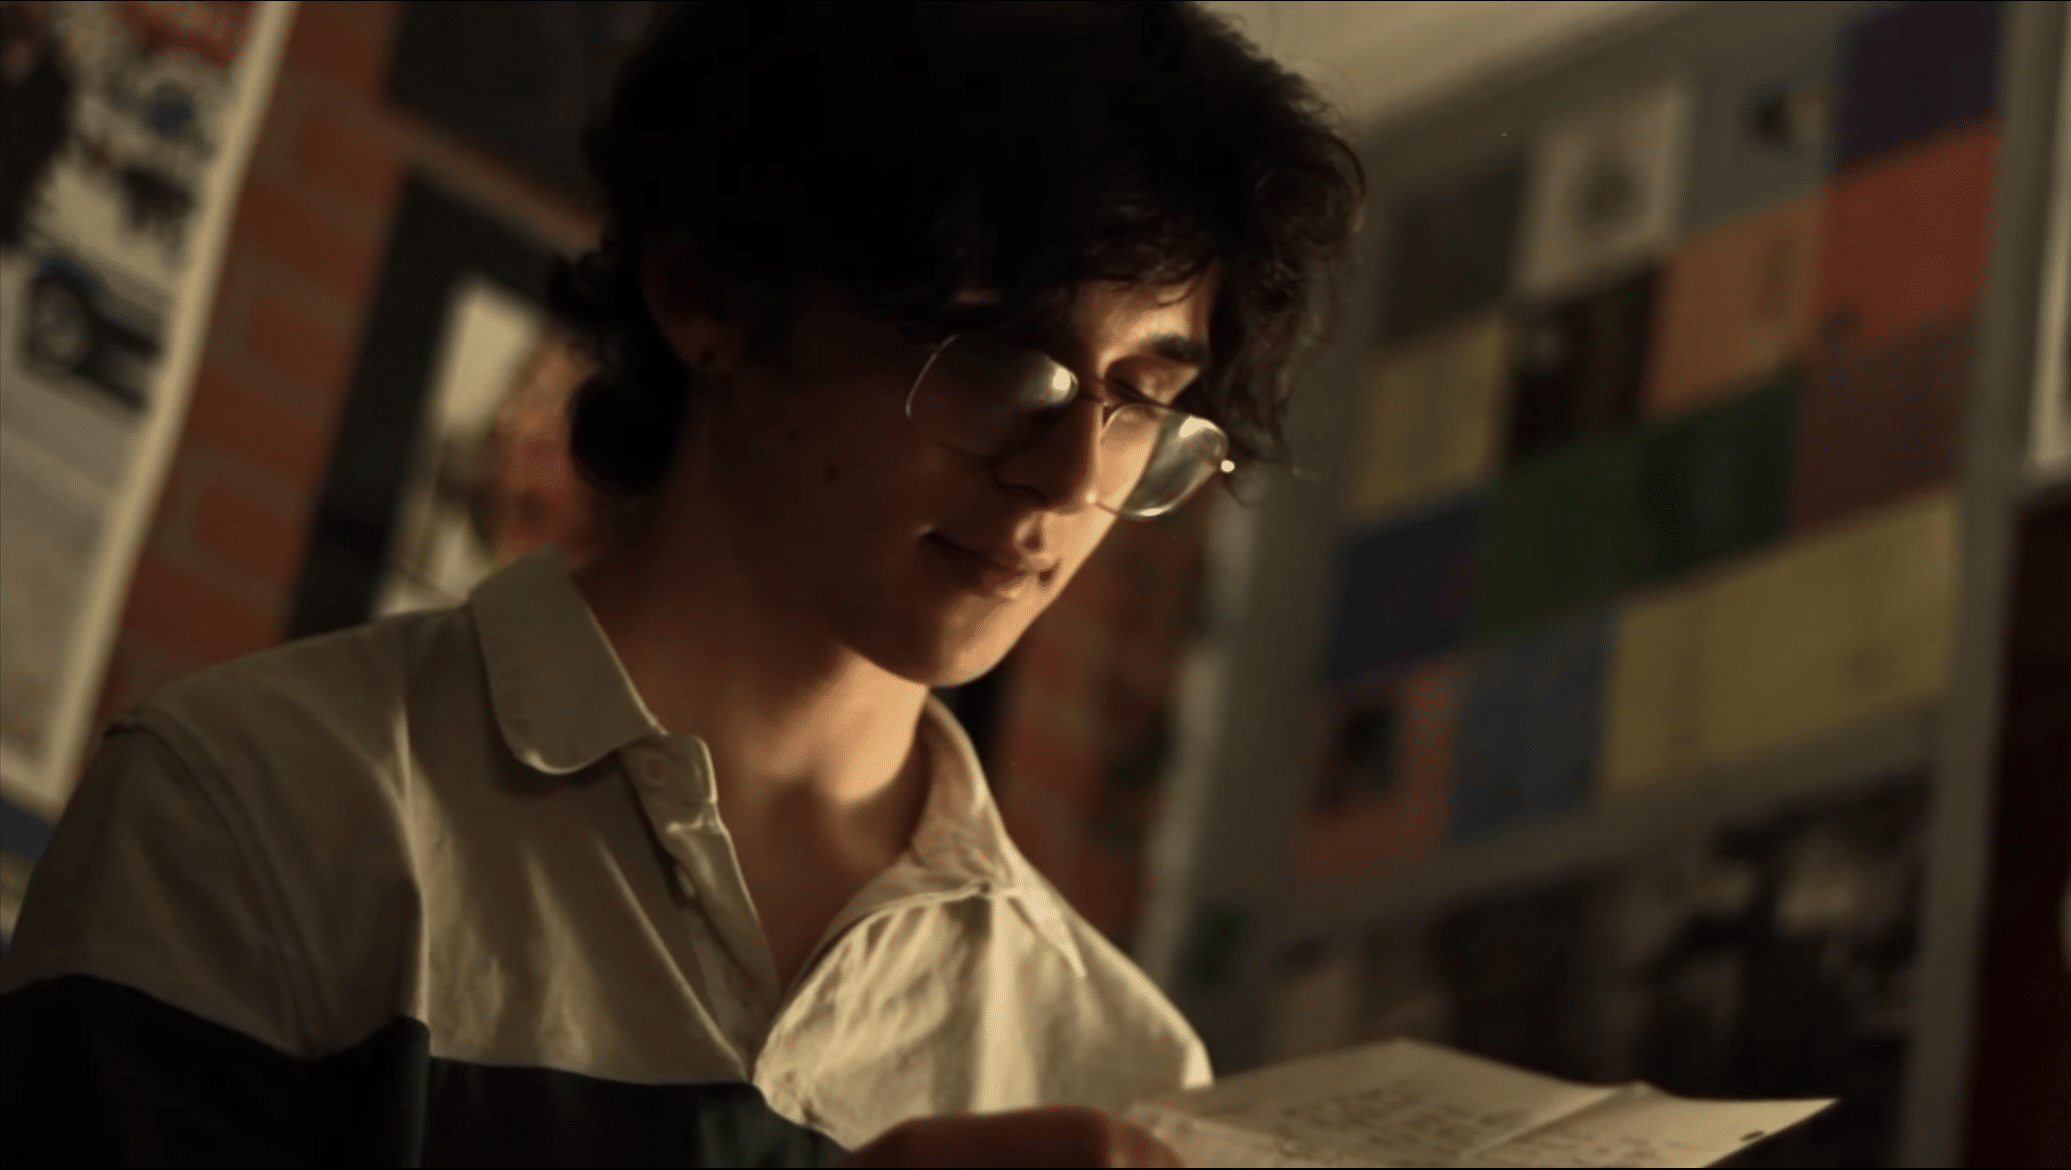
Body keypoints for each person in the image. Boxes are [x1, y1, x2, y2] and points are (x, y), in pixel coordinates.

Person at [0, 2, 1361, 1164]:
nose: (1070, 475)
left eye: (1138, 399)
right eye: (1004, 354)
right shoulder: (255, 796)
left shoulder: (1119, 1061)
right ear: (710, 293)